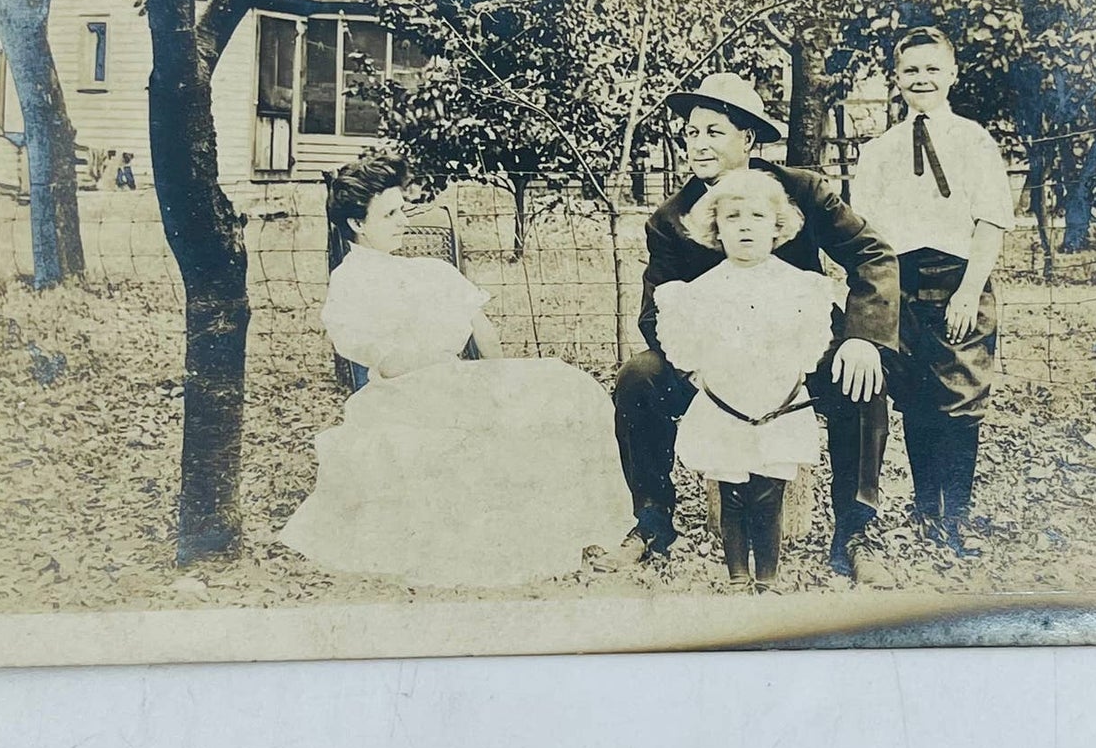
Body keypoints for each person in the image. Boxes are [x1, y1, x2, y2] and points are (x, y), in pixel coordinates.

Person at [277, 156, 633, 586]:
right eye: (389, 214)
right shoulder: (351, 282)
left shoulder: (430, 271)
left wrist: (499, 379)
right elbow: (387, 361)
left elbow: (482, 329)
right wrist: (448, 366)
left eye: (402, 209)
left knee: (569, 386)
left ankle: (585, 522)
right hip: (402, 394)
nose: (402, 221)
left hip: (456, 380)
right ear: (356, 224)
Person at [611, 72, 899, 578]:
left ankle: (855, 534)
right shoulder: (672, 218)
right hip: (713, 364)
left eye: (714, 132)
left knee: (860, 380)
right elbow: (655, 310)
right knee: (639, 379)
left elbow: (873, 255)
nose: (699, 144)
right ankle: (653, 525)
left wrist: (862, 337)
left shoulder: (801, 191)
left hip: (797, 354)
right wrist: (698, 364)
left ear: (747, 139)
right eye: (692, 133)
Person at [853, 27, 1014, 557]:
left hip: (958, 278)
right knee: (919, 397)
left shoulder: (973, 140)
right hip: (898, 279)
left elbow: (990, 220)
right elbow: (867, 232)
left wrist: (969, 293)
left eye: (932, 69)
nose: (922, 79)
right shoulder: (879, 151)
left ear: (952, 74)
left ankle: (958, 517)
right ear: (896, 80)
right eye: (911, 71)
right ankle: (927, 514)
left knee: (960, 396)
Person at [654, 169, 836, 590]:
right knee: (732, 490)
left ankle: (768, 576)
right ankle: (737, 575)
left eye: (757, 216)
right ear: (717, 230)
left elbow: (808, 340)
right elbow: (686, 343)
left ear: (777, 227)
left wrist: (790, 370)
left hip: (776, 399)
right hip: (726, 401)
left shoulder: (798, 286)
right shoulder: (701, 290)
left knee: (768, 491)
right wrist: (703, 372)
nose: (745, 227)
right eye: (733, 217)